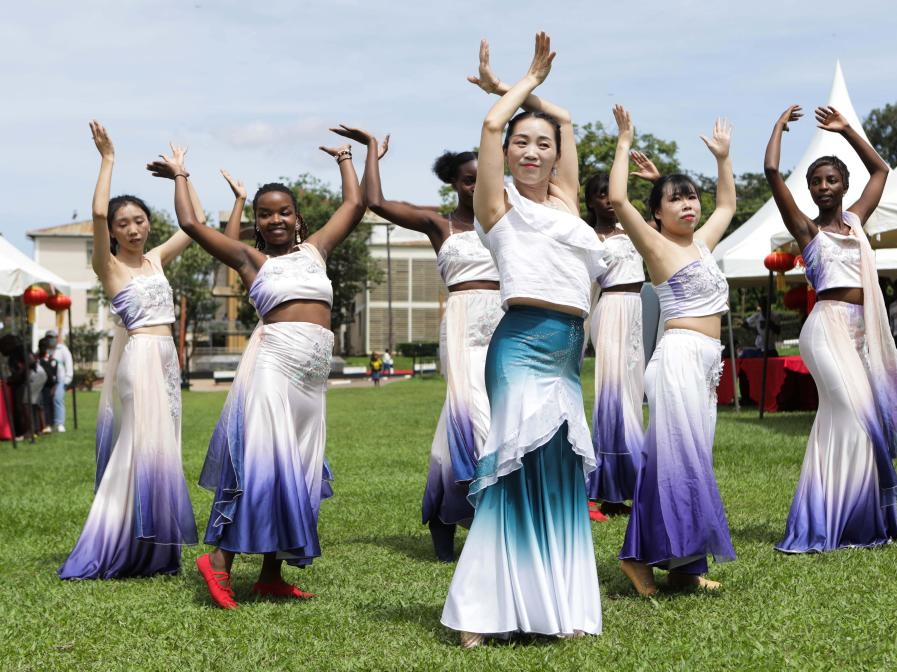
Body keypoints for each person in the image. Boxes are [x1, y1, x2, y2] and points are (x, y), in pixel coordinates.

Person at [149, 123, 376, 608]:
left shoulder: (317, 250)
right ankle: (219, 562)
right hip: (273, 368)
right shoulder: (250, 260)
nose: (275, 219)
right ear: (256, 222)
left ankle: (271, 576)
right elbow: (191, 224)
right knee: (263, 467)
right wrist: (181, 175)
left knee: (297, 469)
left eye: (284, 212)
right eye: (265, 213)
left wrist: (347, 158)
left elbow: (355, 204)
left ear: (298, 218)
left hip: (311, 382)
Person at [441, 34, 607, 646]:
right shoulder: (498, 207)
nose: (533, 151)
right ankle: (480, 613)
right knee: (513, 473)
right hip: (520, 349)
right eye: (522, 143)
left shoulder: (565, 202)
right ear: (507, 155)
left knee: (556, 476)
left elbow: (564, 119)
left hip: (567, 357)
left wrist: (519, 90)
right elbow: (492, 124)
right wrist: (524, 84)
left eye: (543, 144)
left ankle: (555, 608)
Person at [764, 104, 897, 554]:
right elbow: (772, 172)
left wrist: (847, 129)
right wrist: (778, 128)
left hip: (859, 333)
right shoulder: (807, 230)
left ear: (844, 185)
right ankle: (831, 520)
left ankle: (844, 517)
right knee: (854, 415)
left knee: (843, 421)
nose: (823, 186)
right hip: (825, 330)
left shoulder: (855, 222)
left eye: (831, 179)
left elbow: (881, 170)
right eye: (816, 181)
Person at [59, 122, 198, 580]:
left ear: (148, 223)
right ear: (113, 232)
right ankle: (111, 541)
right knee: (137, 448)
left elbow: (195, 224)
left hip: (166, 360)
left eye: (139, 220)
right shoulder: (110, 267)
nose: (133, 229)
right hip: (138, 360)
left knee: (163, 448)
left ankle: (154, 549)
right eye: (124, 224)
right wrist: (108, 160)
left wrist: (181, 175)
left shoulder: (156, 260)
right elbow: (98, 212)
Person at [609, 105, 737, 596]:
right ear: (657, 215)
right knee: (671, 463)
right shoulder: (657, 248)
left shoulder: (701, 244)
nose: (688, 205)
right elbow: (618, 198)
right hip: (678, 359)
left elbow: (727, 205)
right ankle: (636, 557)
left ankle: (684, 567)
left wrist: (723, 159)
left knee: (692, 464)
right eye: (675, 199)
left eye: (690, 197)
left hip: (706, 364)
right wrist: (623, 142)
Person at [364, 135, 503, 562]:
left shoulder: (510, 223)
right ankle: (477, 516)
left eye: (484, 178)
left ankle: (446, 522)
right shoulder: (439, 224)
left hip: (505, 322)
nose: (477, 186)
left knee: (488, 419)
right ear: (454, 184)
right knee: (473, 415)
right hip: (462, 324)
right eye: (468, 180)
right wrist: (370, 152)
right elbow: (376, 202)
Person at [580, 172, 645, 520]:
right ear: (590, 201)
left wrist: (657, 180)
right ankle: (597, 488)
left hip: (636, 310)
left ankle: (620, 491)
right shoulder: (587, 237)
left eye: (612, 192)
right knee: (613, 395)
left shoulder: (633, 228)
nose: (608, 198)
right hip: (611, 309)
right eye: (600, 194)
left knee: (632, 396)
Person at [45, 330, 73, 432]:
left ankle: (59, 423)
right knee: (47, 401)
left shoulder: (63, 349)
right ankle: (49, 424)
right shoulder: (44, 349)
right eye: (48, 338)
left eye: (52, 337)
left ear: (56, 338)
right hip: (47, 381)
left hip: (61, 380)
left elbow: (69, 364)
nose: (50, 340)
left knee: (57, 398)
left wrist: (67, 379)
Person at [36, 338, 57, 433]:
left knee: (48, 405)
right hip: (41, 386)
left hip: (49, 386)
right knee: (42, 405)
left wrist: (54, 386)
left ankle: (48, 425)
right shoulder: (38, 360)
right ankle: (44, 425)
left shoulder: (52, 360)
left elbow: (53, 375)